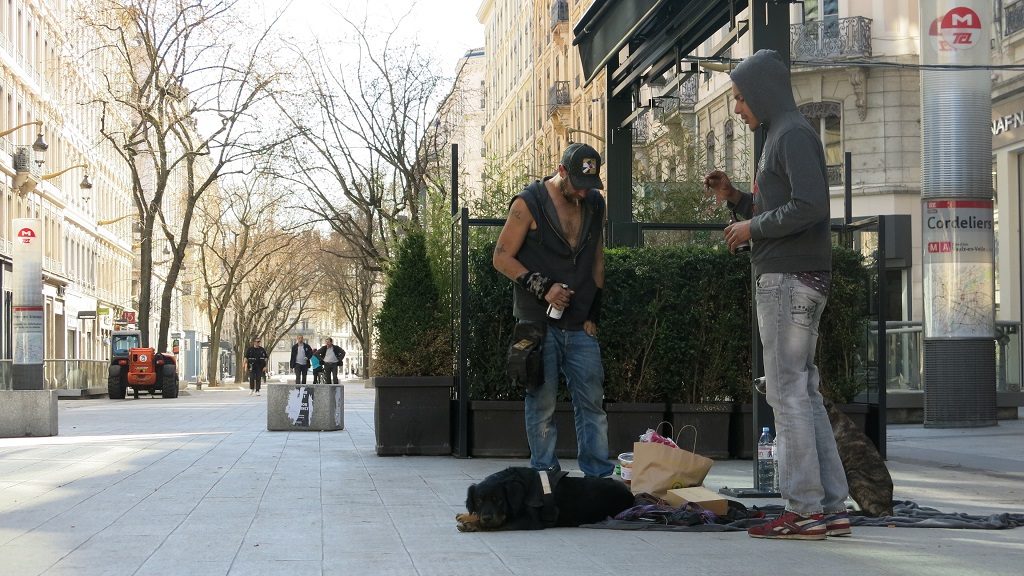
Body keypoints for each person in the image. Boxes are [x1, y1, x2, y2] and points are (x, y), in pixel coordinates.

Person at [704, 49, 849, 540]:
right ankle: (829, 506)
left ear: (762, 93)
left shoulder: (789, 134)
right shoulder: (787, 134)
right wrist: (737, 202)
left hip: (789, 281)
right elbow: (792, 204)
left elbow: (811, 205)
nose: (739, 109)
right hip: (797, 278)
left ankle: (804, 510)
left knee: (786, 394)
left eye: (742, 98)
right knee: (803, 392)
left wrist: (751, 227)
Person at [492, 142, 612, 479]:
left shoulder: (594, 203)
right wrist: (544, 287)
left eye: (590, 187)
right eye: (578, 185)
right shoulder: (528, 203)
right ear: (561, 172)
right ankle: (545, 477)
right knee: (541, 403)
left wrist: (594, 315)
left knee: (593, 403)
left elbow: (598, 258)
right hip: (536, 324)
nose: (584, 194)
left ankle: (598, 478)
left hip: (580, 323)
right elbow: (500, 258)